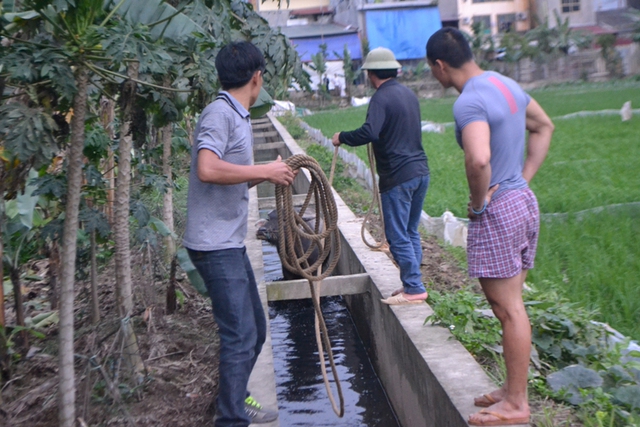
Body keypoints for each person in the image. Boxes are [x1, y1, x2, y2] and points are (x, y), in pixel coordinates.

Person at [426, 27, 554, 426]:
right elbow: (544, 125)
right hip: (523, 204)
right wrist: (523, 179)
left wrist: (479, 204)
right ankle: (510, 391)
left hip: (499, 211)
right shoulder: (506, 84)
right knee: (510, 306)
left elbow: (479, 160)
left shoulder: (469, 103)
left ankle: (517, 404)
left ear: (440, 66)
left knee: (508, 308)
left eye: (433, 70)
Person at [183, 41, 295, 427]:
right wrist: (264, 172)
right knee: (240, 336)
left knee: (256, 332)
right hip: (214, 245)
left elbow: (227, 179)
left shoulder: (237, 114)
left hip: (227, 241)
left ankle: (234, 399)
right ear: (257, 77)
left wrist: (268, 171)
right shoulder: (220, 114)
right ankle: (230, 418)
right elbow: (207, 169)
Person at [331, 47, 430, 306]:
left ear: (370, 74)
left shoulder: (381, 98)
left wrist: (342, 137)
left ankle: (414, 287)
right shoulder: (409, 94)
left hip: (398, 177)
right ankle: (412, 282)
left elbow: (370, 131)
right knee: (411, 231)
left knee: (398, 236)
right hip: (420, 172)